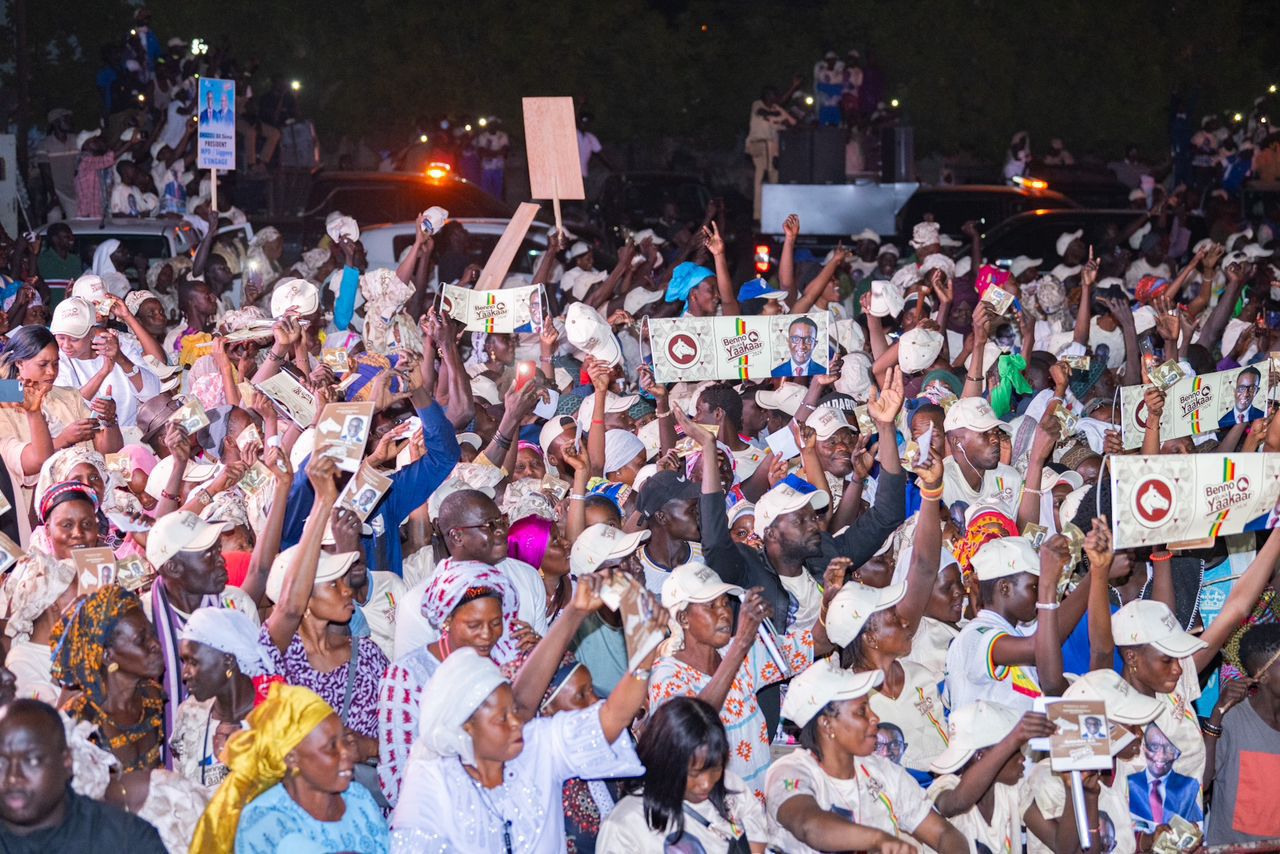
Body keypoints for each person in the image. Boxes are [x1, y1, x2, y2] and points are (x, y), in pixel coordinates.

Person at [388, 610, 658, 853]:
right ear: (465, 726)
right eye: (501, 718)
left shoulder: (537, 744)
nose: (517, 723)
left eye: (514, 712)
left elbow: (612, 716)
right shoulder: (432, 777)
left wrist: (644, 653)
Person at [649, 562, 815, 800]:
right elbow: (694, 724)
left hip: (757, 808)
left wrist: (830, 602)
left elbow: (812, 644)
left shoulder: (738, 652)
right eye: (711, 606)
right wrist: (741, 644)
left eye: (725, 602)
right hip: (714, 812)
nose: (725, 612)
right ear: (683, 618)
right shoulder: (666, 675)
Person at [765, 659, 967, 852]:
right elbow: (808, 825)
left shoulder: (883, 772)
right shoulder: (790, 772)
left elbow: (943, 834)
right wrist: (877, 839)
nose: (875, 718)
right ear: (827, 725)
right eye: (862, 711)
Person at [376, 560, 520, 806]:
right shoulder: (408, 677)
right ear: (446, 621)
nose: (487, 635)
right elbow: (397, 779)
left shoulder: (504, 664)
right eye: (473, 625)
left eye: (496, 623)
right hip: (433, 813)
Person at [189, 683, 388, 854]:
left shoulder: (358, 798)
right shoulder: (264, 821)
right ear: (292, 757)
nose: (347, 752)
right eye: (331, 746)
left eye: (345, 739)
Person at [599, 696, 769, 852]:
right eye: (694, 773)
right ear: (664, 762)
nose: (706, 783)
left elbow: (756, 840)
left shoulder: (732, 788)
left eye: (715, 768)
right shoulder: (625, 824)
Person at [0, 699, 167, 852]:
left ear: (67, 762)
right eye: (1, 763)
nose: (13, 777)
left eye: (33, 761)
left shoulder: (128, 841)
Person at [172, 607, 277, 791]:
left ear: (228, 661)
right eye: (184, 661)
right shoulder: (190, 714)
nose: (185, 673)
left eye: (193, 662)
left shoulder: (275, 715)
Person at [1206, 624, 1280, 845]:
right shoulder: (1233, 719)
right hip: (1234, 848)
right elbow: (1201, 781)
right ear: (1263, 676)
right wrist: (1217, 714)